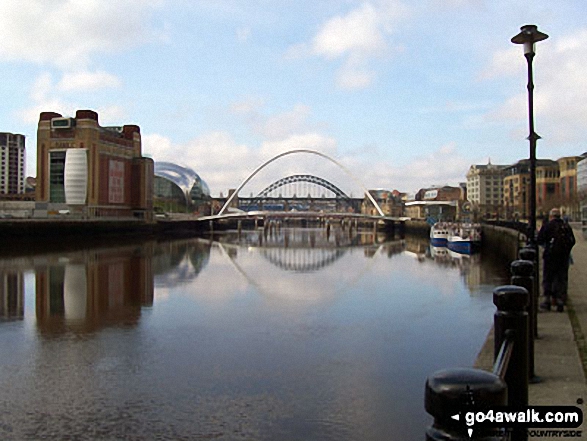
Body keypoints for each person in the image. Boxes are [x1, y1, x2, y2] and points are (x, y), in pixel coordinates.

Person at [537, 208, 576, 312]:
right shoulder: (566, 226)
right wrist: (566, 251)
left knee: (548, 277)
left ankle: (547, 300)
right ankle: (560, 301)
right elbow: (572, 241)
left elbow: (539, 240)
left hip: (550, 257)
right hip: (563, 257)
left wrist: (547, 247)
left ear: (551, 216)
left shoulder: (547, 226)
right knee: (561, 278)